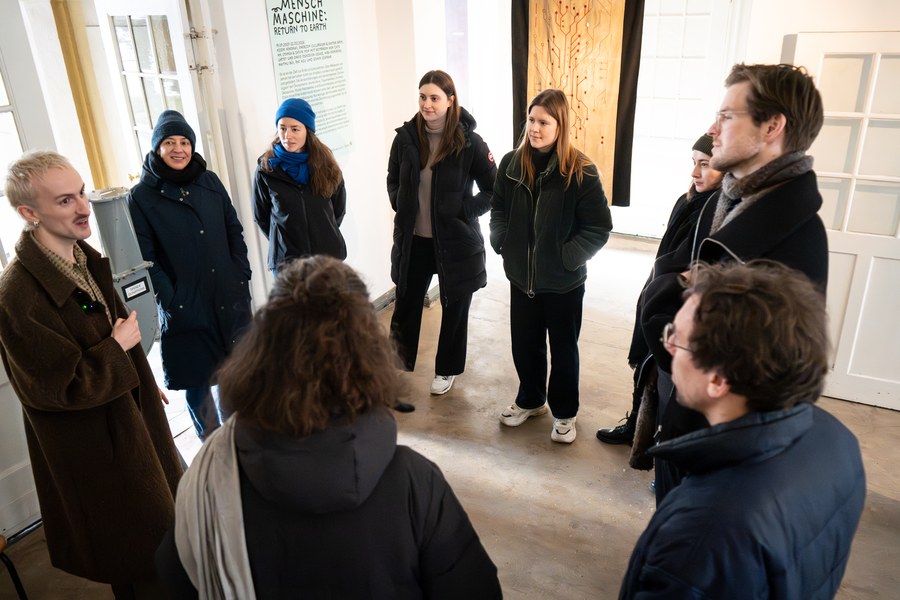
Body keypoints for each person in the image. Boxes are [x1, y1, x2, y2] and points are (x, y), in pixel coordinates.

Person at [155, 256, 502, 599]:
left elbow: (175, 578)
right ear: (370, 352)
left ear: (261, 350)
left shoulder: (210, 478)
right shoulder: (416, 482)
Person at [618, 261, 866, 599]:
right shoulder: (836, 438)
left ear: (719, 379)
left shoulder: (702, 536)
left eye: (678, 338)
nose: (669, 346)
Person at [639, 63, 829, 502]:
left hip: (721, 452)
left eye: (726, 116)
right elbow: (670, 287)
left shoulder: (796, 236)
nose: (712, 129)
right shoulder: (723, 202)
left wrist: (668, 296)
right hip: (683, 416)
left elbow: (766, 378)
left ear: (772, 127)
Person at [0, 151, 183, 598]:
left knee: (166, 546)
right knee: (139, 560)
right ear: (29, 213)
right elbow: (56, 388)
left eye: (81, 192)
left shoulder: (80, 257)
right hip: (99, 451)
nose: (84, 207)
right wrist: (117, 352)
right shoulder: (17, 296)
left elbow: (109, 329)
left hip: (132, 420)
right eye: (65, 201)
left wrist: (143, 379)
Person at [490, 88, 613, 443]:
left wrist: (567, 257)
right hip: (521, 277)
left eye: (544, 122)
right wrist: (502, 241)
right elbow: (499, 209)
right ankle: (531, 400)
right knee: (525, 344)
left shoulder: (581, 171)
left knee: (563, 351)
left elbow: (598, 227)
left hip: (563, 283)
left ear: (561, 126)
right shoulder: (512, 164)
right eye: (531, 120)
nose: (534, 128)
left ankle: (564, 413)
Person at [129, 109, 253, 441]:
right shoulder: (141, 197)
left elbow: (233, 229)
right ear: (157, 148)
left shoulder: (209, 181)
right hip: (186, 305)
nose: (179, 149)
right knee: (198, 383)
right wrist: (172, 299)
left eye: (184, 142)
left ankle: (239, 442)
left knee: (234, 374)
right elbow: (146, 259)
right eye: (169, 142)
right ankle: (212, 447)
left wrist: (240, 273)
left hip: (227, 294)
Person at [596, 134, 722, 449]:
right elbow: (665, 253)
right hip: (659, 289)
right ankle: (636, 426)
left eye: (705, 165)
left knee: (668, 377)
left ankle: (660, 442)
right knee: (645, 364)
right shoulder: (687, 201)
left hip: (682, 303)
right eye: (694, 163)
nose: (695, 173)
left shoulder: (718, 212)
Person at [387, 70, 497, 400]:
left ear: (450, 101)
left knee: (455, 307)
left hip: (455, 242)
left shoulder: (470, 143)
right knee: (406, 303)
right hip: (415, 240)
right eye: (423, 97)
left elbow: (494, 190)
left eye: (434, 98)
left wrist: (464, 210)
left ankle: (446, 369)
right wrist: (401, 203)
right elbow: (393, 178)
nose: (427, 104)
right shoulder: (405, 139)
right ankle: (394, 363)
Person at [253, 97, 347, 277]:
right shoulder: (266, 169)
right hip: (287, 264)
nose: (287, 135)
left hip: (327, 259)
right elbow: (261, 216)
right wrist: (283, 241)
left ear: (307, 131)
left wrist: (322, 233)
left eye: (295, 129)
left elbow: (338, 209)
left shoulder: (326, 166)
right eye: (282, 128)